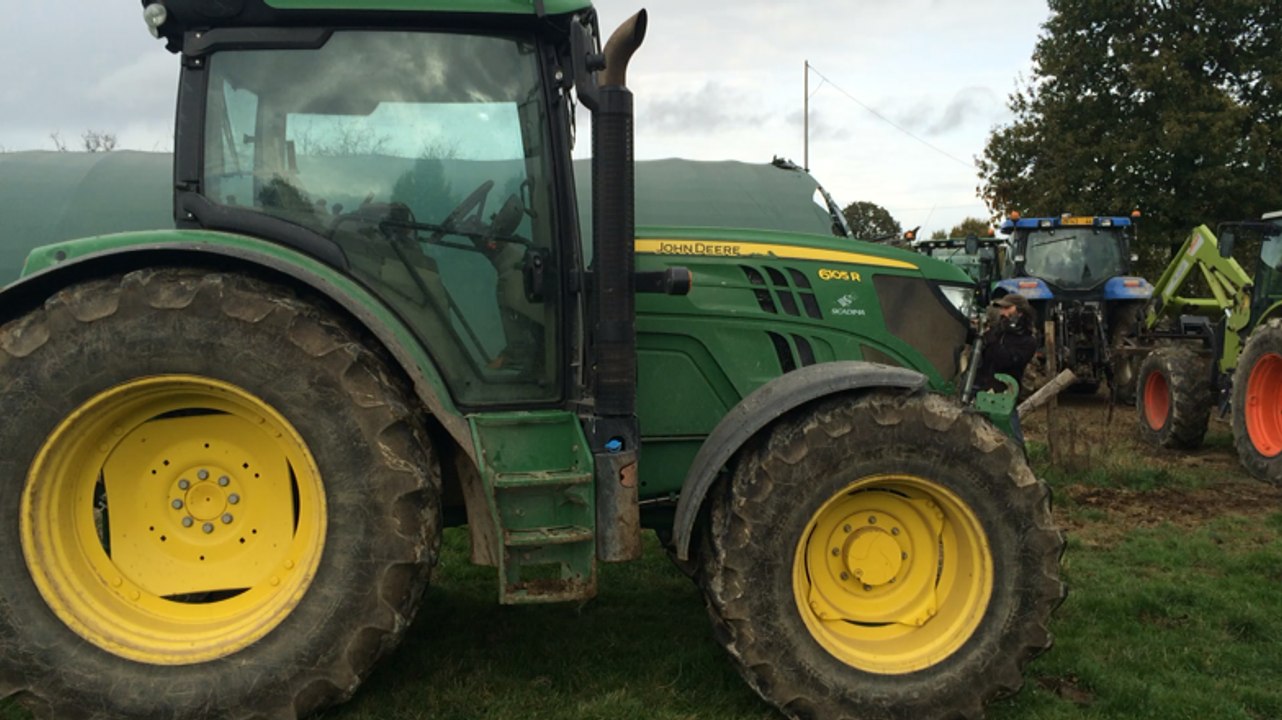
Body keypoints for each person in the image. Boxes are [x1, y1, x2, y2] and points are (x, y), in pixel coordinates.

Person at [973, 293, 1038, 446]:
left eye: (1007, 308)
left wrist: (991, 342)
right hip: (981, 387)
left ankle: (1019, 457)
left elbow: (1008, 361)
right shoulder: (998, 331)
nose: (1002, 312)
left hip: (1004, 394)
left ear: (1020, 312)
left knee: (1011, 437)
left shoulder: (1028, 341)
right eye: (1002, 308)